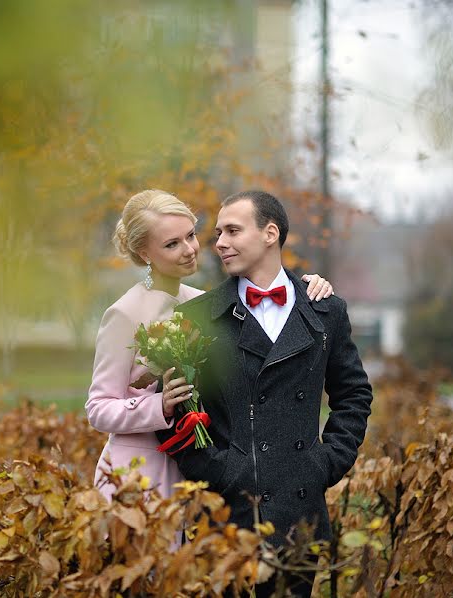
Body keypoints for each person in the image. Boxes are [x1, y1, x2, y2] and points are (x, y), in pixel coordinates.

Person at [156, 190, 373, 596]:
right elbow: (173, 410)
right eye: (218, 232)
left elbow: (354, 395)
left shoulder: (326, 309)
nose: (219, 242)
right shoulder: (196, 318)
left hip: (298, 509)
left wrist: (325, 462)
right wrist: (217, 470)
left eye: (233, 230)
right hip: (226, 513)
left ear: (270, 233)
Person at [86, 189, 335, 502]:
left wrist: (307, 287)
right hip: (137, 475)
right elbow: (98, 408)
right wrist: (158, 406)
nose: (189, 249)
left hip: (195, 470)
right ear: (145, 253)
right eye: (171, 244)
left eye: (190, 235)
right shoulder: (125, 313)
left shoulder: (201, 303)